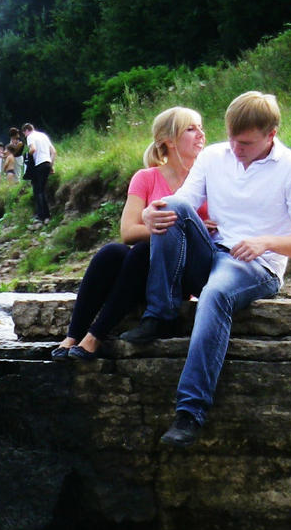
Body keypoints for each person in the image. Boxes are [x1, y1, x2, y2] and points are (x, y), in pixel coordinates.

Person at [120, 91, 291, 449]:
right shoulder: (215, 156)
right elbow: (184, 201)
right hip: (213, 252)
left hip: (256, 265)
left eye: (245, 142)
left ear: (271, 134)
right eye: (231, 137)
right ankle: (161, 312)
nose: (235, 147)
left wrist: (266, 242)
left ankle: (190, 412)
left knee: (215, 295)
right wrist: (154, 212)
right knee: (172, 208)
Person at [52, 107, 207, 361]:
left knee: (144, 251)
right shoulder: (146, 178)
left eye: (201, 128)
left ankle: (94, 336)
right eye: (191, 129)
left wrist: (169, 231)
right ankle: (74, 334)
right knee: (112, 252)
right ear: (168, 140)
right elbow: (128, 231)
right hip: (145, 267)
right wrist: (163, 231)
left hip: (180, 273)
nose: (201, 134)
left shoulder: (205, 179)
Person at [22, 123, 57, 224]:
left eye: (24, 134)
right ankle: (44, 216)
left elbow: (33, 149)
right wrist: (51, 165)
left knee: (38, 190)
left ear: (26, 131)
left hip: (39, 164)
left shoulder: (30, 137)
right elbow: (54, 152)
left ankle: (43, 216)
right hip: (47, 163)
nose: (25, 136)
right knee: (41, 189)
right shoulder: (43, 136)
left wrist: (27, 157)